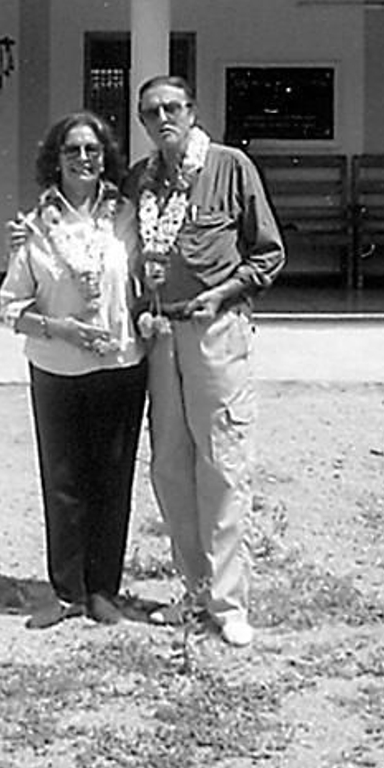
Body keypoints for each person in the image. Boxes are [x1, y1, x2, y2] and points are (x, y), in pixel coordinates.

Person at [126, 76, 284, 648]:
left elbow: (268, 252)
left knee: (222, 462)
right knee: (170, 465)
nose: (162, 117)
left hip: (214, 329)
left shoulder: (229, 166)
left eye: (172, 107)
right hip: (161, 332)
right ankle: (193, 591)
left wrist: (222, 294)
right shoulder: (141, 179)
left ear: (191, 112)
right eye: (151, 112)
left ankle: (229, 601)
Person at [0, 111, 148, 630]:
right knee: (62, 479)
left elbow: (146, 281)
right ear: (54, 160)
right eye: (72, 150)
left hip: (119, 364)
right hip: (56, 367)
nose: (83, 159)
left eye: (92, 149)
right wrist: (61, 329)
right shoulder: (34, 226)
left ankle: (104, 589)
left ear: (105, 156)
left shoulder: (128, 217)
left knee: (112, 478)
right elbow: (12, 306)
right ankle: (66, 592)